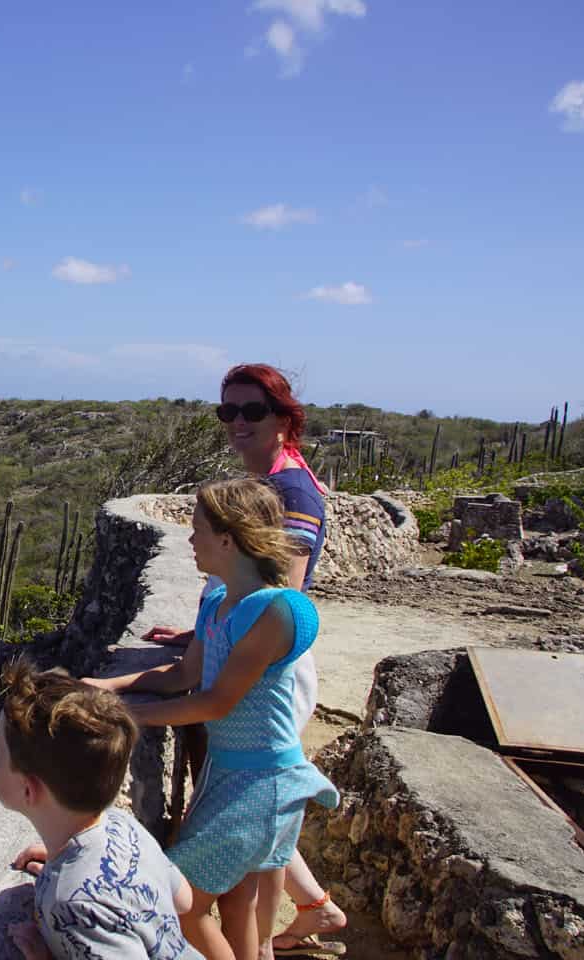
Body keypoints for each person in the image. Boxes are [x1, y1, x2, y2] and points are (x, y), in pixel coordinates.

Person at [141, 364, 345, 956]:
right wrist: (205, 630)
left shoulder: (293, 492)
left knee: (222, 873)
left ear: (284, 419)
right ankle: (297, 919)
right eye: (227, 411)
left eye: (251, 411)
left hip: (264, 683)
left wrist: (217, 634)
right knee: (253, 868)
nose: (236, 423)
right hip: (248, 688)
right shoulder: (275, 480)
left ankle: (306, 912)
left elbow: (283, 591)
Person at [87, 479, 339, 960]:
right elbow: (185, 673)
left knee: (178, 902)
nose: (189, 539)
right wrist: (111, 686)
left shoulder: (278, 610)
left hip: (262, 781)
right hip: (228, 773)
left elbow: (217, 702)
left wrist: (131, 717)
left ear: (228, 539)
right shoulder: (217, 605)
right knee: (235, 899)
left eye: (197, 529)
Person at [0, 659, 203, 960]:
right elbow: (183, 899)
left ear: (29, 789)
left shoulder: (72, 903)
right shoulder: (122, 826)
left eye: (0, 753)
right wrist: (65, 860)